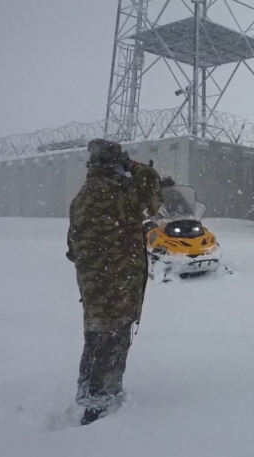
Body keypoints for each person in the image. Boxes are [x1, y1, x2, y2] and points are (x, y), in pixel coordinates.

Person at [66, 139, 162, 425]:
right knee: (113, 339)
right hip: (117, 282)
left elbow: (73, 246)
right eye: (123, 163)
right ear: (115, 165)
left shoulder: (82, 197)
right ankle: (97, 406)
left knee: (96, 338)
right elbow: (151, 200)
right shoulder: (120, 191)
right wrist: (140, 168)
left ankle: (91, 391)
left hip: (94, 283)